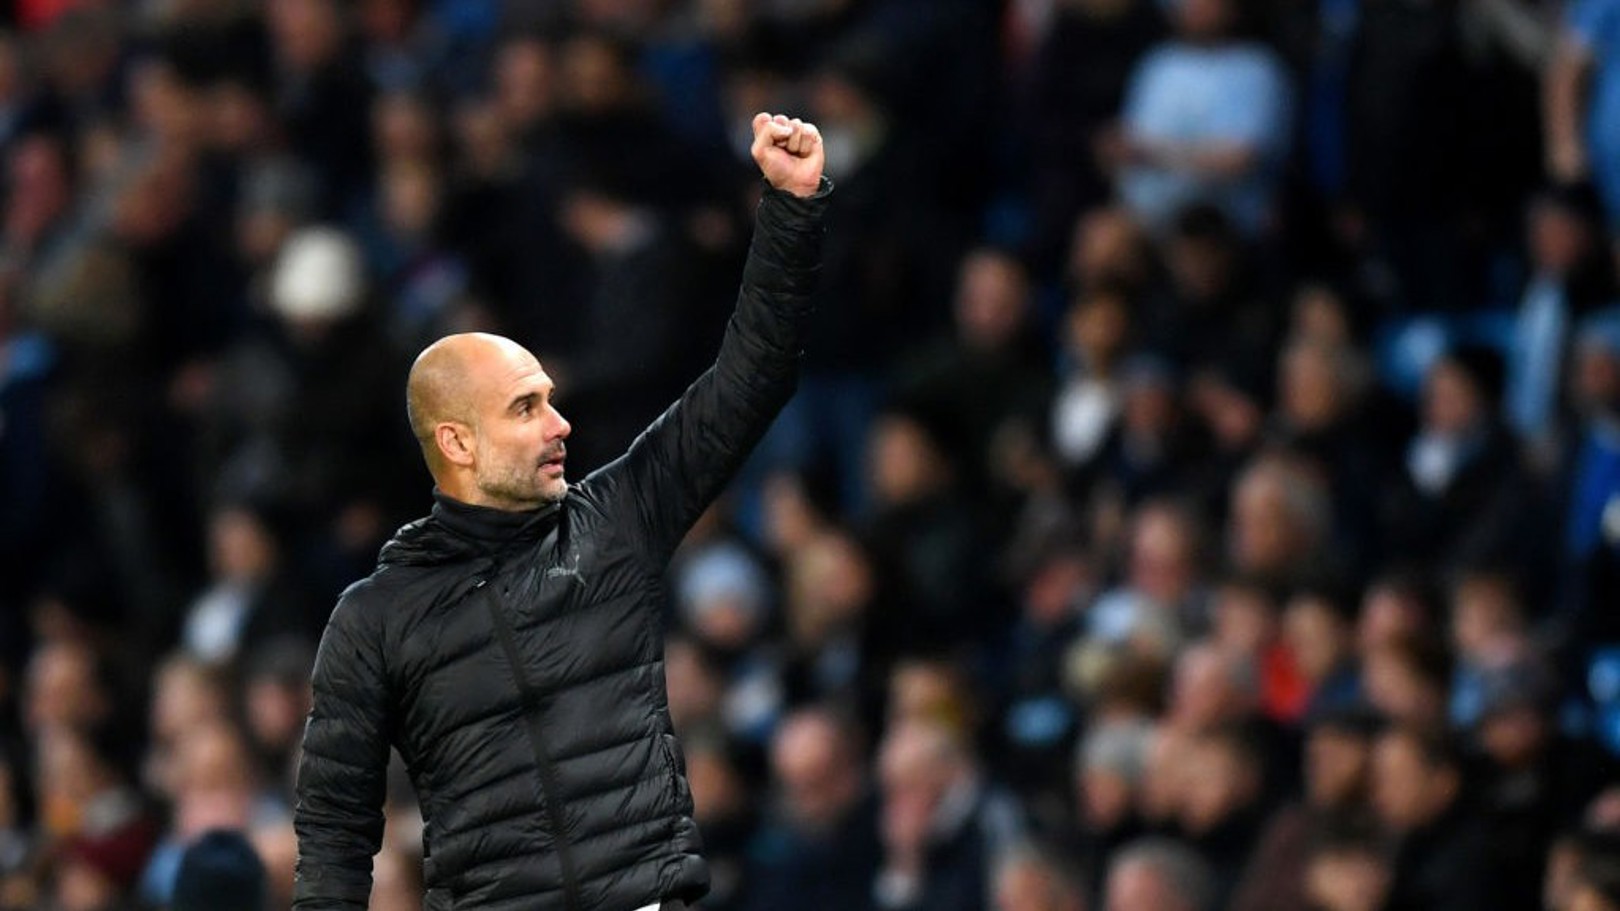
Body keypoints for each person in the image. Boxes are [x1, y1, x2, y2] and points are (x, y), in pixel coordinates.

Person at [291, 112, 829, 911]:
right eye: (525, 407)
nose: (560, 423)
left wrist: (789, 208)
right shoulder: (374, 620)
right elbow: (335, 835)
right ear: (458, 442)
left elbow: (752, 377)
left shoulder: (617, 516)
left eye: (551, 399)